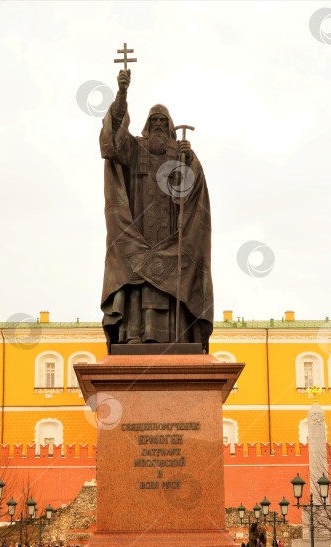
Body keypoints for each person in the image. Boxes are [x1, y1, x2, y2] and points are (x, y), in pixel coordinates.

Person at [99, 69, 213, 351]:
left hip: (173, 232)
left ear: (171, 126)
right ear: (148, 125)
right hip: (138, 229)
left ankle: (178, 338)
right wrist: (122, 94)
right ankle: (134, 334)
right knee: (137, 277)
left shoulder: (179, 154)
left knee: (174, 275)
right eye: (155, 120)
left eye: (164, 121)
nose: (159, 125)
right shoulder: (135, 149)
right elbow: (112, 144)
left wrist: (190, 162)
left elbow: (194, 187)